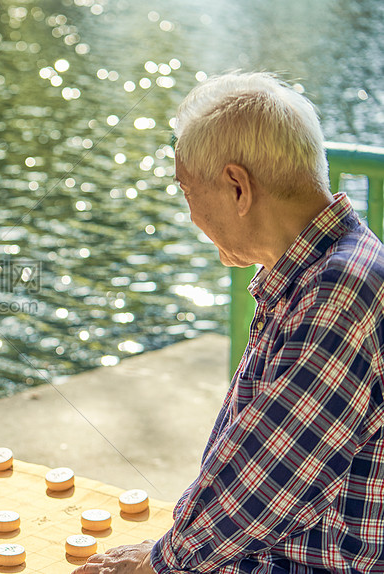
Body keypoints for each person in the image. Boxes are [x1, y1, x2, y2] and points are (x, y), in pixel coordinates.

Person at [76, 72, 384, 573]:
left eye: (188, 190)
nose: (191, 215)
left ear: (238, 187)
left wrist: (160, 563)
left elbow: (269, 479)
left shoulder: (338, 293)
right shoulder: (320, 266)